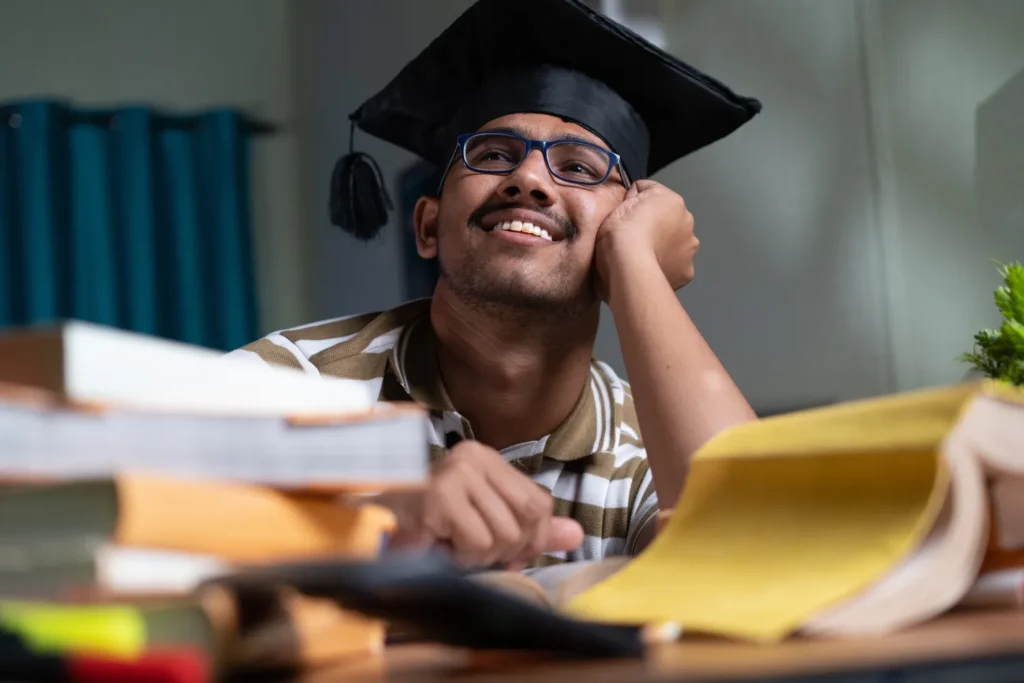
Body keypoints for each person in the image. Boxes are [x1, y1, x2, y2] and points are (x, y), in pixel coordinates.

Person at [229, 0, 762, 571]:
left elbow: (756, 554)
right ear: (429, 225)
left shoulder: (650, 446)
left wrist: (637, 268)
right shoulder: (287, 388)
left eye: (581, 168)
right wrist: (378, 529)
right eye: (493, 155)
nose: (529, 179)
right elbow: (146, 546)